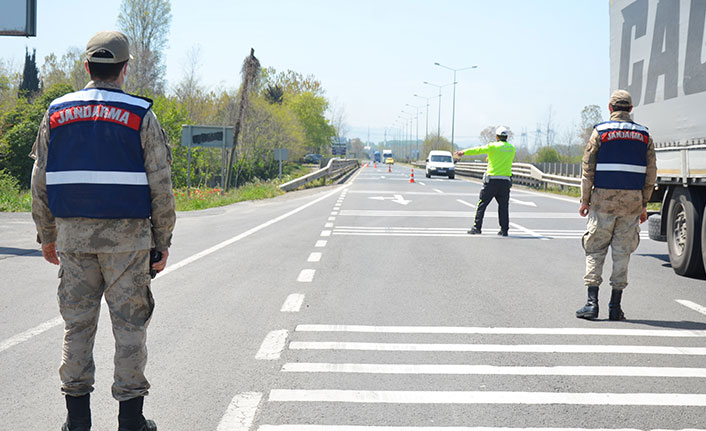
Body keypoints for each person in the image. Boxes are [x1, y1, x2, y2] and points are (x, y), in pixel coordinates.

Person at [30, 31, 176, 431]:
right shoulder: (140, 115)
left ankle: (77, 422)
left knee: (77, 327)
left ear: (86, 67)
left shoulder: (56, 113)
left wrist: (47, 235)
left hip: (74, 242)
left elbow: (39, 181)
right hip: (128, 245)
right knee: (130, 328)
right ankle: (130, 421)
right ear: (125, 69)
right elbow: (161, 186)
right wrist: (161, 243)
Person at [575, 89, 656, 321]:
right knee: (622, 252)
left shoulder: (600, 132)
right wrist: (643, 203)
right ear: (630, 109)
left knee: (595, 249)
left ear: (610, 108)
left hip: (603, 202)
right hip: (631, 203)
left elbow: (587, 170)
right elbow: (651, 174)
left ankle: (591, 304)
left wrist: (584, 200)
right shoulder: (644, 135)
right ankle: (615, 307)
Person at [455, 126, 516, 236]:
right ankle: (504, 230)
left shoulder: (492, 146)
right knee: (503, 206)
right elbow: (503, 158)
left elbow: (478, 150)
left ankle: (477, 227)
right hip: (505, 181)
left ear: (496, 136)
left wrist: (463, 152)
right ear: (506, 137)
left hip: (492, 180)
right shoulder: (512, 148)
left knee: (482, 204)